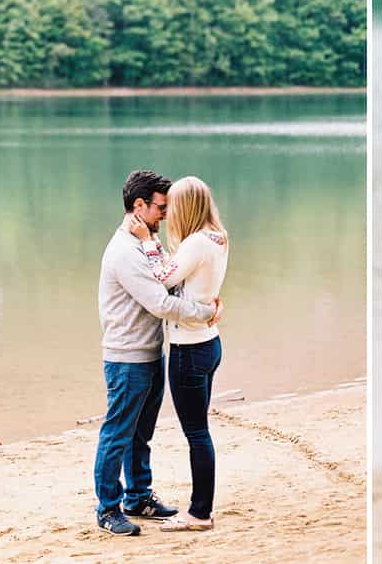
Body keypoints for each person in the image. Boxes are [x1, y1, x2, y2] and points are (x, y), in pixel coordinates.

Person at [93, 169, 220, 537]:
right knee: (117, 433)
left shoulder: (147, 240)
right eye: (161, 207)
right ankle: (107, 508)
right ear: (139, 205)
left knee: (140, 434)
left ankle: (138, 497)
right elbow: (161, 302)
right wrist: (205, 312)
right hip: (126, 357)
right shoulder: (124, 251)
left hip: (151, 353)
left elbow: (172, 274)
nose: (167, 213)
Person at [131, 175, 230, 533]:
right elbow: (187, 279)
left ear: (186, 205)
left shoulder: (196, 244)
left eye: (173, 205)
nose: (168, 212)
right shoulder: (217, 237)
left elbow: (161, 277)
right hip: (210, 341)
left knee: (197, 434)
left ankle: (200, 514)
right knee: (200, 431)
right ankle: (201, 509)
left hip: (189, 349)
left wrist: (147, 240)